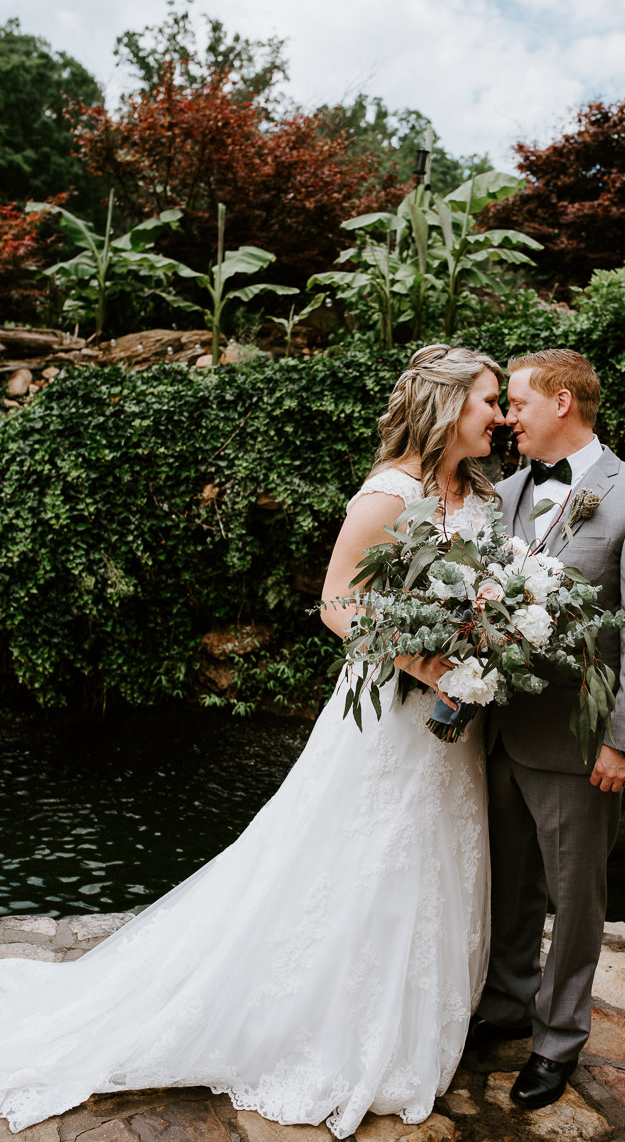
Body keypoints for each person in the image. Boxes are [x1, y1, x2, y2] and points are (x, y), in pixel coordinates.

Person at [0, 343, 505, 1138]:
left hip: (453, 713)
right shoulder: (389, 492)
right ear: (444, 403)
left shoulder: (479, 491)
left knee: (434, 856)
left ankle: (412, 1017)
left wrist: (483, 639)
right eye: (488, 400)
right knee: (355, 857)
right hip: (388, 711)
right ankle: (320, 1019)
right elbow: (339, 604)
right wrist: (423, 661)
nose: (500, 415)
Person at [469, 349, 625, 1111]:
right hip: (493, 731)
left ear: (561, 402)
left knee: (574, 899)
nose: (505, 419)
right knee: (508, 885)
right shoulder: (501, 494)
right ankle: (503, 1005)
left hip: (577, 742)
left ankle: (557, 1041)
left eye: (517, 403)